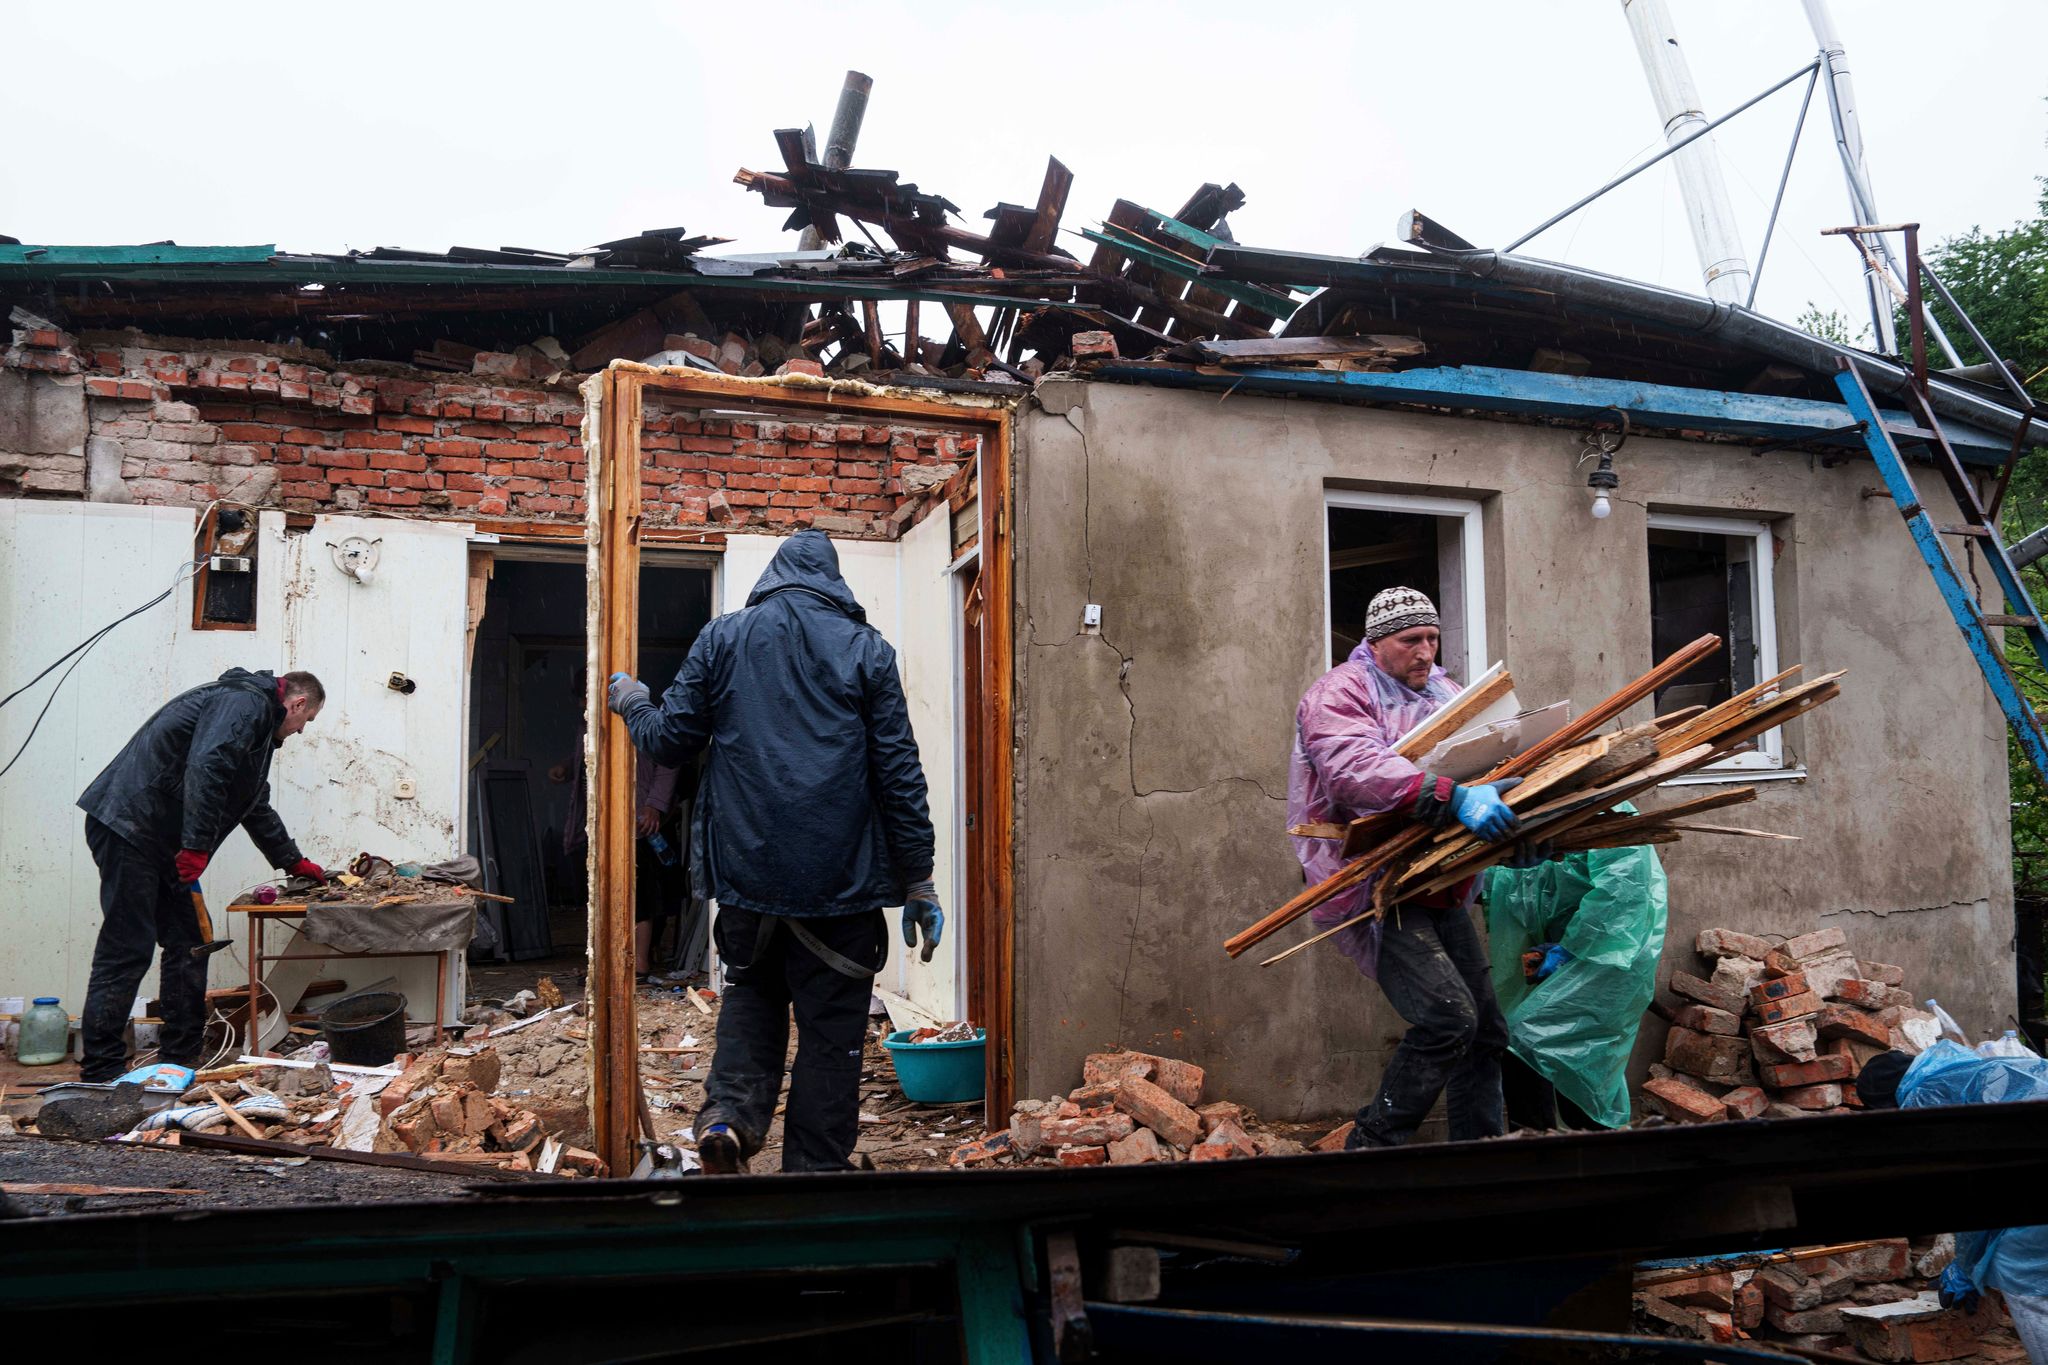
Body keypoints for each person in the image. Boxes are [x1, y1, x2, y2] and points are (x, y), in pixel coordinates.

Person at [608, 530, 940, 1173]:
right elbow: (900, 773)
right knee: (832, 1034)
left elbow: (671, 738)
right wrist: (918, 878)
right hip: (841, 886)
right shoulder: (867, 651)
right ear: (835, 584)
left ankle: (728, 1121)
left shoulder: (723, 639)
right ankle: (812, 1171)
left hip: (749, 878)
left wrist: (632, 701)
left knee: (752, 996)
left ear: (773, 577)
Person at [1288, 587, 1523, 1149]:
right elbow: (1355, 771)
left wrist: (1520, 832)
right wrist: (1452, 796)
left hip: (1439, 882)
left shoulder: (1445, 691)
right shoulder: (1339, 693)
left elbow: (1496, 755)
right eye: (1410, 639)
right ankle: (1371, 1148)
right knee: (1449, 1019)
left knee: (1486, 1032)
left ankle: (1481, 1158)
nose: (1425, 651)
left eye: (1432, 638)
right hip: (1379, 885)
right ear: (1375, 642)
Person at [73, 668, 328, 1083]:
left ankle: (181, 1055)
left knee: (191, 941)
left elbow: (253, 803)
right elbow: (207, 765)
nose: (302, 730)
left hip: (161, 839)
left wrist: (292, 861)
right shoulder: (244, 702)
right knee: (128, 945)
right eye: (308, 720)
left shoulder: (257, 725)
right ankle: (101, 1069)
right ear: (297, 704)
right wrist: (195, 845)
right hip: (130, 827)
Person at [1858, 1042, 2048, 1361]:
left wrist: (1966, 1266)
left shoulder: (1926, 1100)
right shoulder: (1972, 1071)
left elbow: (1981, 1201)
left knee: (2019, 1269)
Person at [1480, 822, 1668, 1130]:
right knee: (1544, 1051)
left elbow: (1622, 896)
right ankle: (1546, 1144)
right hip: (1559, 956)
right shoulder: (1534, 818)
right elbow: (1517, 884)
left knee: (1536, 1043)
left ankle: (1565, 1143)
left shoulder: (1610, 815)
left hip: (1606, 960)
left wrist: (1572, 947)